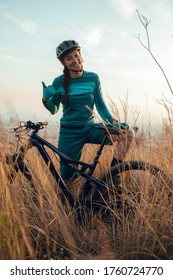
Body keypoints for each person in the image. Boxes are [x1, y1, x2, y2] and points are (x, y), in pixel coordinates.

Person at [42, 40, 135, 183]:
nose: (74, 60)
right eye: (69, 58)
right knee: (67, 182)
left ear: (80, 54)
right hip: (69, 133)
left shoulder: (93, 78)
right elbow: (53, 110)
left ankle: (113, 174)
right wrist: (45, 99)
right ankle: (68, 202)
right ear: (64, 63)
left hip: (91, 128)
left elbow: (101, 106)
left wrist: (114, 122)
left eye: (76, 55)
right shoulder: (58, 81)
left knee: (128, 133)